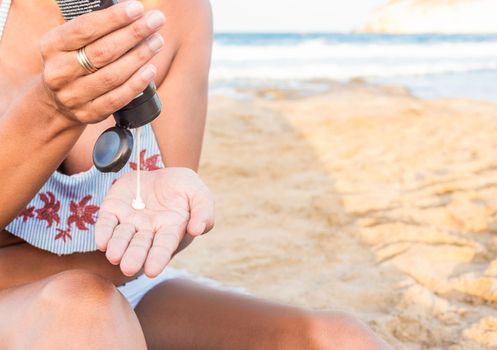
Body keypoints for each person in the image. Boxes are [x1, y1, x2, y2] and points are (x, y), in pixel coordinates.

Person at [0, 0, 391, 348]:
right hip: (68, 298)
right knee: (81, 309)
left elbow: (153, 240)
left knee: (337, 338)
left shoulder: (178, 11)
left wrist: (174, 213)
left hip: (117, 284)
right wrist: (51, 112)